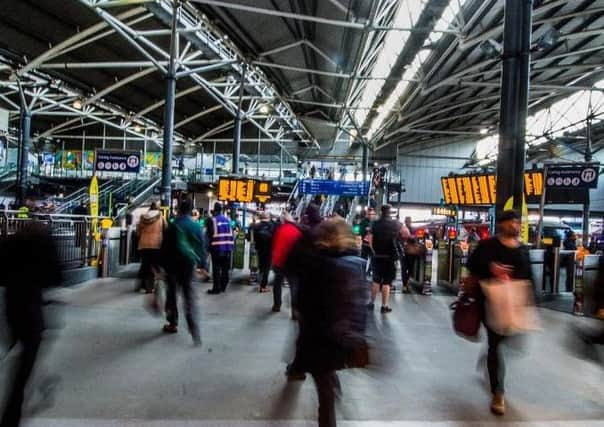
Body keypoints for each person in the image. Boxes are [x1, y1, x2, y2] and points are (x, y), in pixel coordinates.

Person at [295, 220, 369, 427]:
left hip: (321, 337)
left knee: (325, 394)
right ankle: (333, 390)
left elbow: (303, 303)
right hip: (344, 337)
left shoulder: (316, 264)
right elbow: (360, 303)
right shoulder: (356, 264)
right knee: (327, 384)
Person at [466, 210, 532, 416]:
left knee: (512, 343)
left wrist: (531, 301)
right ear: (502, 224)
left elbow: (529, 275)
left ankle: (490, 360)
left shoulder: (522, 249)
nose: (517, 226)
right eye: (513, 222)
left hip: (515, 303)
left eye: (518, 222)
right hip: (491, 301)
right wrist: (491, 269)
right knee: (495, 343)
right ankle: (498, 392)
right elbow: (472, 266)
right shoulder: (488, 246)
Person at [0, 222, 62, 427]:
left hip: (11, 305)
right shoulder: (44, 244)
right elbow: (55, 276)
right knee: (27, 360)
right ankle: (12, 415)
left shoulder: (10, 242)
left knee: (16, 349)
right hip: (32, 307)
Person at [160, 198, 207, 345]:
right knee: (189, 296)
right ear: (192, 210)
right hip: (188, 266)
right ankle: (193, 326)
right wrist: (202, 266)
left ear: (179, 209)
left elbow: (164, 247)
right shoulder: (196, 226)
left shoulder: (174, 226)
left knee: (172, 295)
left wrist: (160, 266)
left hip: (172, 267)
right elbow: (201, 248)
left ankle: (173, 323)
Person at [367, 204, 407, 313]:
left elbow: (370, 240)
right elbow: (406, 233)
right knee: (386, 282)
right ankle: (384, 306)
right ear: (390, 212)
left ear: (381, 211)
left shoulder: (374, 223)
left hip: (377, 257)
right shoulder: (396, 224)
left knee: (375, 280)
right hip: (390, 258)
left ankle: (371, 303)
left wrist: (375, 251)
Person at [271, 211, 303, 313]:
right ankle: (294, 311)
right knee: (294, 286)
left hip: (279, 262)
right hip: (293, 263)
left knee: (277, 284)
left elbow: (275, 245)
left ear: (283, 220)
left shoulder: (280, 230)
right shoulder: (297, 231)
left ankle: (277, 305)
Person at [136, 201, 166, 294]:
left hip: (144, 245)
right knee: (154, 266)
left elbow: (138, 231)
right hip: (156, 245)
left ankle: (143, 285)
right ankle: (150, 287)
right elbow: (166, 229)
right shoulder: (161, 217)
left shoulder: (143, 217)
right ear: (157, 208)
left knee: (145, 264)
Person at [206, 202, 234, 294]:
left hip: (217, 248)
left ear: (214, 210)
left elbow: (209, 235)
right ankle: (223, 286)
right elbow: (231, 234)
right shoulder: (227, 220)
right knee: (225, 268)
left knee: (216, 269)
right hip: (227, 248)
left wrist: (208, 248)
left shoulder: (212, 220)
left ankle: (216, 288)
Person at [249, 212, 275, 293]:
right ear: (268, 217)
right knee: (267, 268)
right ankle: (263, 286)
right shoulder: (272, 225)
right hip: (269, 249)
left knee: (261, 267)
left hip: (259, 249)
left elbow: (250, 238)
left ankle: (260, 283)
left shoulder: (255, 226)